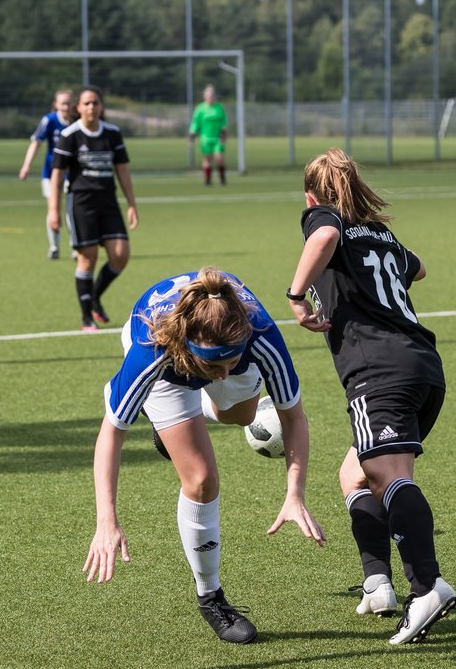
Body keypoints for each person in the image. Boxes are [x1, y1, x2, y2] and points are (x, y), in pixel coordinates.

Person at [83, 267, 326, 644]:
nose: (225, 375)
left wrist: (294, 494)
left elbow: (293, 416)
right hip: (169, 370)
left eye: (231, 363)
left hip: (222, 349)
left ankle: (180, 422)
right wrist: (106, 520)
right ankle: (210, 595)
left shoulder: (260, 336)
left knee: (242, 414)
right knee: (201, 479)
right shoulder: (152, 350)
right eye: (215, 367)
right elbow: (111, 433)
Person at [287, 148, 456, 646]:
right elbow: (417, 269)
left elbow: (323, 235)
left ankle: (426, 586)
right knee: (353, 472)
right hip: (424, 368)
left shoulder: (326, 218)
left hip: (378, 370)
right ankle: (378, 583)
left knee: (389, 475)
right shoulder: (380, 232)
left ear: (313, 194)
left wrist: (298, 295)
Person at [48, 86, 139, 332]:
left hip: (108, 202)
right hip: (81, 203)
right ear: (78, 107)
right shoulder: (70, 135)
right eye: (86, 103)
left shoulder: (112, 133)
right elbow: (57, 175)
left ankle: (95, 295)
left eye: (95, 103)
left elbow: (122, 170)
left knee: (120, 255)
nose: (91, 107)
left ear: (101, 106)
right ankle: (86, 316)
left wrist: (131, 203)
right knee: (88, 259)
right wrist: (53, 210)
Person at [18, 89, 75, 259]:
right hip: (51, 173)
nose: (66, 106)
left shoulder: (79, 120)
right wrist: (26, 165)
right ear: (56, 105)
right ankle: (54, 247)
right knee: (53, 208)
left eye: (69, 103)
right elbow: (36, 143)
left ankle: (76, 246)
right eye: (63, 103)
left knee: (72, 210)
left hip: (73, 174)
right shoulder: (49, 120)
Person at [187, 84, 228, 186]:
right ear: (205, 96)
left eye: (212, 95)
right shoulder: (200, 109)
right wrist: (191, 137)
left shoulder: (219, 108)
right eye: (208, 95)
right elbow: (195, 124)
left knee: (219, 158)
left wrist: (224, 135)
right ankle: (208, 180)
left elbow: (223, 123)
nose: (210, 97)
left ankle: (222, 179)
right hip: (205, 138)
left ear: (214, 96)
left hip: (217, 137)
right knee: (207, 159)